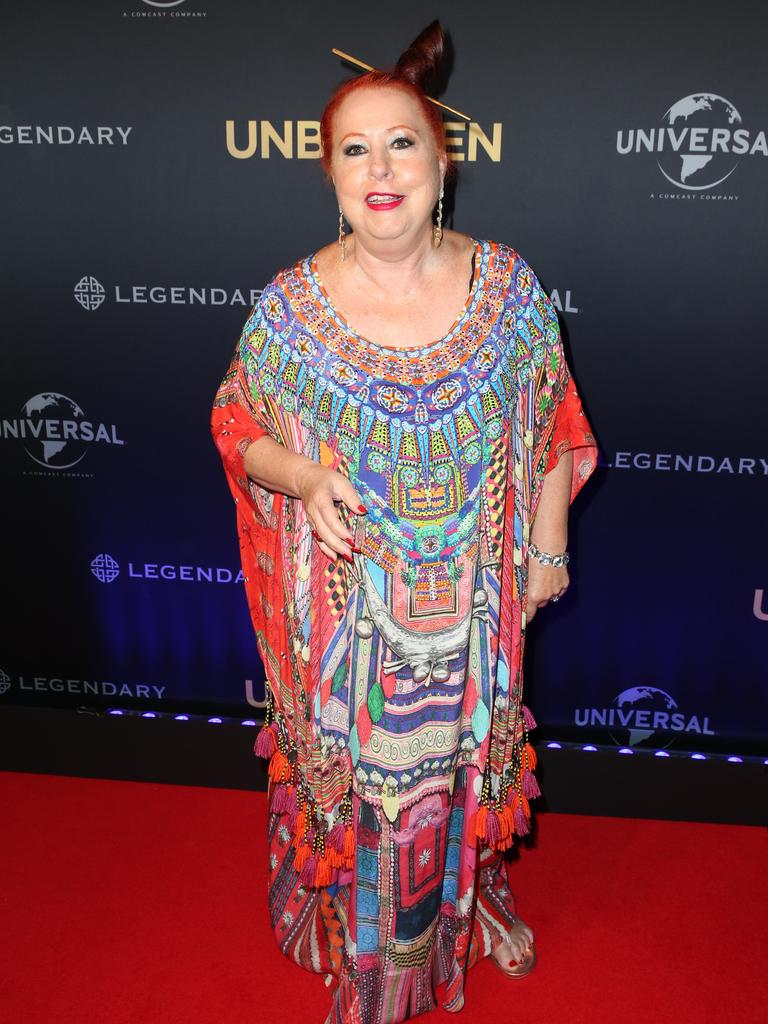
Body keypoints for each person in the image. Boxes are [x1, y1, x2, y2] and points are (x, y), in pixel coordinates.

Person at [211, 21, 597, 1024]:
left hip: (474, 614)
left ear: (442, 159)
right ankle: (376, 974)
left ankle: (467, 914)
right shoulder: (289, 309)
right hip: (350, 635)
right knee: (378, 802)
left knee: (466, 770)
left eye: (401, 143)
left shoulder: (510, 289)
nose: (379, 169)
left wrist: (548, 548)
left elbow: (553, 418)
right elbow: (235, 424)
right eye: (354, 149)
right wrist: (299, 477)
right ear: (330, 175)